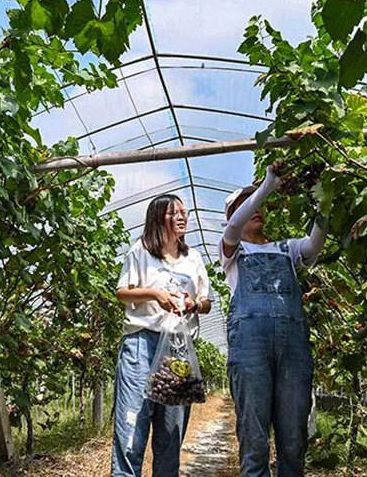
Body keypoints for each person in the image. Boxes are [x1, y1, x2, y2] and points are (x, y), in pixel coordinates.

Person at [221, 160, 326, 477]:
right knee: (254, 440)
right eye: (244, 205)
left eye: (257, 204)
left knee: (293, 439)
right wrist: (265, 187)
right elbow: (232, 229)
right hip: (250, 347)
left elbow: (316, 242)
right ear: (233, 215)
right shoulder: (232, 252)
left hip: (293, 348)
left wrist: (325, 200)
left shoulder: (288, 248)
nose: (256, 208)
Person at [112, 194, 212, 477]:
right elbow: (122, 292)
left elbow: (206, 302)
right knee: (131, 429)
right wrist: (155, 294)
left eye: (184, 212)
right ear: (159, 218)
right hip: (142, 343)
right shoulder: (140, 251)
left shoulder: (193, 258)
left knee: (171, 431)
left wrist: (194, 304)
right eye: (175, 213)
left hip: (178, 348)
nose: (182, 217)